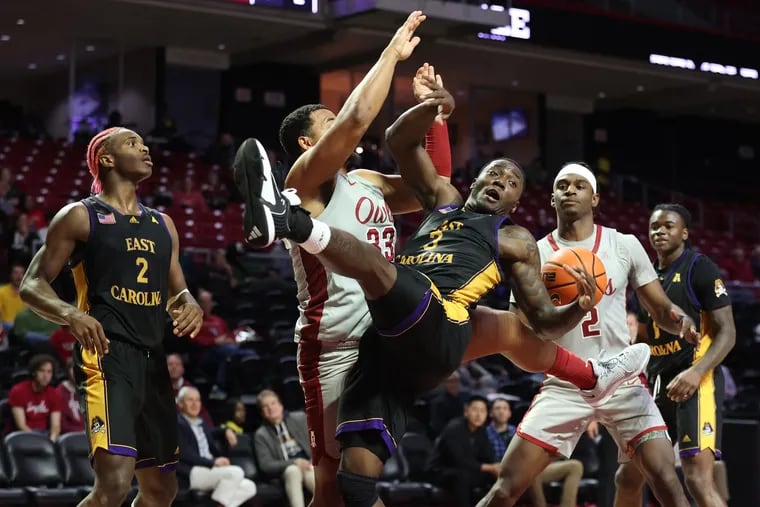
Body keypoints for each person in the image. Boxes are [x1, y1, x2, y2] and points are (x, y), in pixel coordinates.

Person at [235, 66, 651, 507]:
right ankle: (593, 375)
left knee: (400, 277)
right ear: (474, 183)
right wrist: (434, 108)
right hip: (381, 344)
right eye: (494, 175)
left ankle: (287, 221)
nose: (500, 183)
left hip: (435, 317)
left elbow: (545, 321)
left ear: (516, 201)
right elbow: (398, 140)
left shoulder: (511, 236)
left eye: (512, 183)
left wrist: (578, 308)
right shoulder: (439, 199)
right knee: (351, 484)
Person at [272, 14, 449, 507]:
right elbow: (354, 120)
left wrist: (433, 115)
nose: (343, 123)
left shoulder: (367, 181)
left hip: (386, 338)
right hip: (335, 344)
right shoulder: (304, 181)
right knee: (331, 485)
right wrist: (391, 53)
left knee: (348, 486)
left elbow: (437, 192)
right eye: (326, 124)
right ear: (311, 143)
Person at [476, 163, 699, 507]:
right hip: (566, 382)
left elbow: (660, 309)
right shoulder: (534, 251)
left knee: (665, 476)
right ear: (551, 198)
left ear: (594, 198)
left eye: (579, 185)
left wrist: (680, 319)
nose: (569, 190)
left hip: (621, 379)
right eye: (562, 185)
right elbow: (517, 326)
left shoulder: (622, 244)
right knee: (506, 488)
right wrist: (555, 318)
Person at [19, 127, 203, 507]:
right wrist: (71, 315)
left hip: (153, 361)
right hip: (107, 356)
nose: (146, 147)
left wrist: (190, 305)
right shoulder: (79, 216)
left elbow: (178, 291)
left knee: (160, 490)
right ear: (106, 158)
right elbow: (31, 284)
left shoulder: (163, 225)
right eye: (133, 143)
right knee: (115, 484)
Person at [614, 203, 736, 507]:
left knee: (697, 479)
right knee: (627, 476)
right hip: (658, 383)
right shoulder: (646, 278)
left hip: (697, 379)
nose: (660, 231)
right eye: (655, 226)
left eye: (668, 226)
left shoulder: (699, 267)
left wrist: (697, 373)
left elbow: (727, 332)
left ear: (684, 232)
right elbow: (644, 333)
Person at [176, 386, 257, 507]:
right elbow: (185, 454)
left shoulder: (200, 423)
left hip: (209, 470)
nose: (195, 404)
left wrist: (226, 430)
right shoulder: (176, 423)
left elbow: (212, 431)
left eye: (197, 400)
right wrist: (213, 461)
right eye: (190, 400)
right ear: (180, 404)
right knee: (236, 472)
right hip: (191, 471)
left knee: (249, 487)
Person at [428, 394, 499, 507]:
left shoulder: (481, 431)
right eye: (475, 409)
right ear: (466, 411)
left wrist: (498, 467)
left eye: (482, 411)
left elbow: (488, 455)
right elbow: (458, 459)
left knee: (496, 477)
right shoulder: (454, 428)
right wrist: (489, 467)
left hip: (468, 470)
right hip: (441, 470)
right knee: (462, 476)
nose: (478, 414)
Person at [254, 389, 315, 507]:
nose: (271, 408)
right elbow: (266, 465)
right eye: (265, 406)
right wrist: (294, 462)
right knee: (293, 471)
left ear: (281, 405)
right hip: (285, 471)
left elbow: (316, 441)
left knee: (311, 475)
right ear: (262, 413)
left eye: (273, 403)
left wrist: (313, 462)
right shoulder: (261, 434)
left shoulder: (300, 418)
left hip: (309, 464)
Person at [8, 354, 61, 440]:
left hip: (45, 435)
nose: (45, 375)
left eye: (49, 372)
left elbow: (56, 426)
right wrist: (37, 441)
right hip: (21, 436)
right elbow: (21, 425)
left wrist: (52, 441)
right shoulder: (18, 391)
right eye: (42, 371)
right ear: (34, 372)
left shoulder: (54, 393)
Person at [57, 357, 85, 434]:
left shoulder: (91, 390)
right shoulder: (60, 391)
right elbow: (61, 423)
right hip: (70, 436)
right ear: (68, 371)